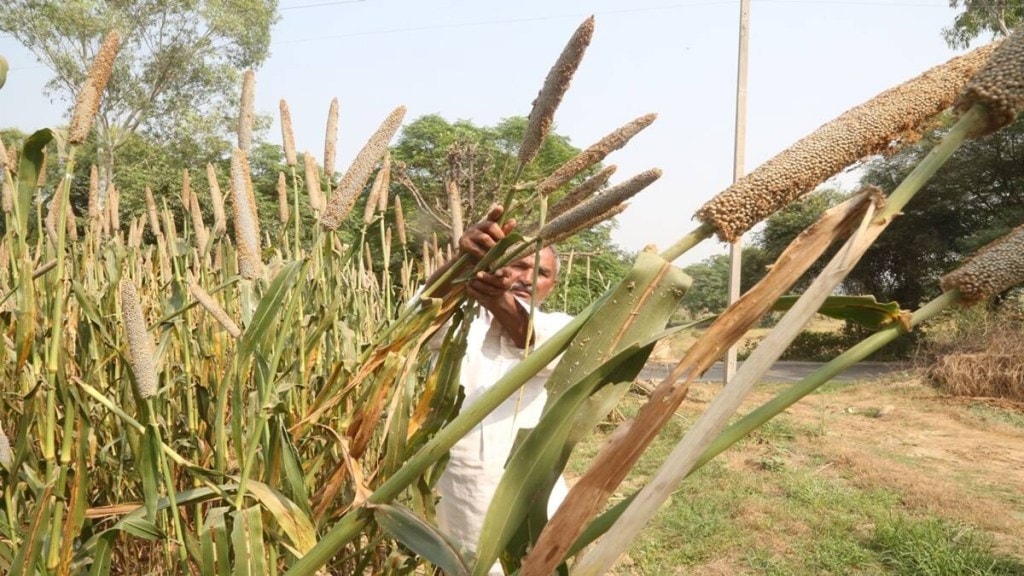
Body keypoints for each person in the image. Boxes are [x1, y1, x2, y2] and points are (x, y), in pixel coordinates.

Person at [422, 205, 572, 573]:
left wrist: (499, 300)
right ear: (497, 262)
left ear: (551, 286)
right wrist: (461, 260)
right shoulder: (458, 320)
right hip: (458, 484)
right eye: (518, 265)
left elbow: (533, 341)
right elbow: (421, 313)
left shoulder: (561, 326)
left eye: (541, 273)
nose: (525, 277)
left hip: (531, 484)